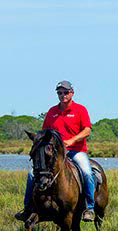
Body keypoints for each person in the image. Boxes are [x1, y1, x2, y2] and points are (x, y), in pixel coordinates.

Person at [17, 80, 96, 222]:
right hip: (54, 154)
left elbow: (87, 130)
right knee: (31, 174)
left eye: (65, 92)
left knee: (87, 172)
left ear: (72, 93)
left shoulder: (80, 110)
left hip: (76, 150)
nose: (63, 95)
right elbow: (44, 132)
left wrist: (72, 140)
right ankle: (28, 208)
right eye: (59, 93)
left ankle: (89, 208)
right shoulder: (52, 112)